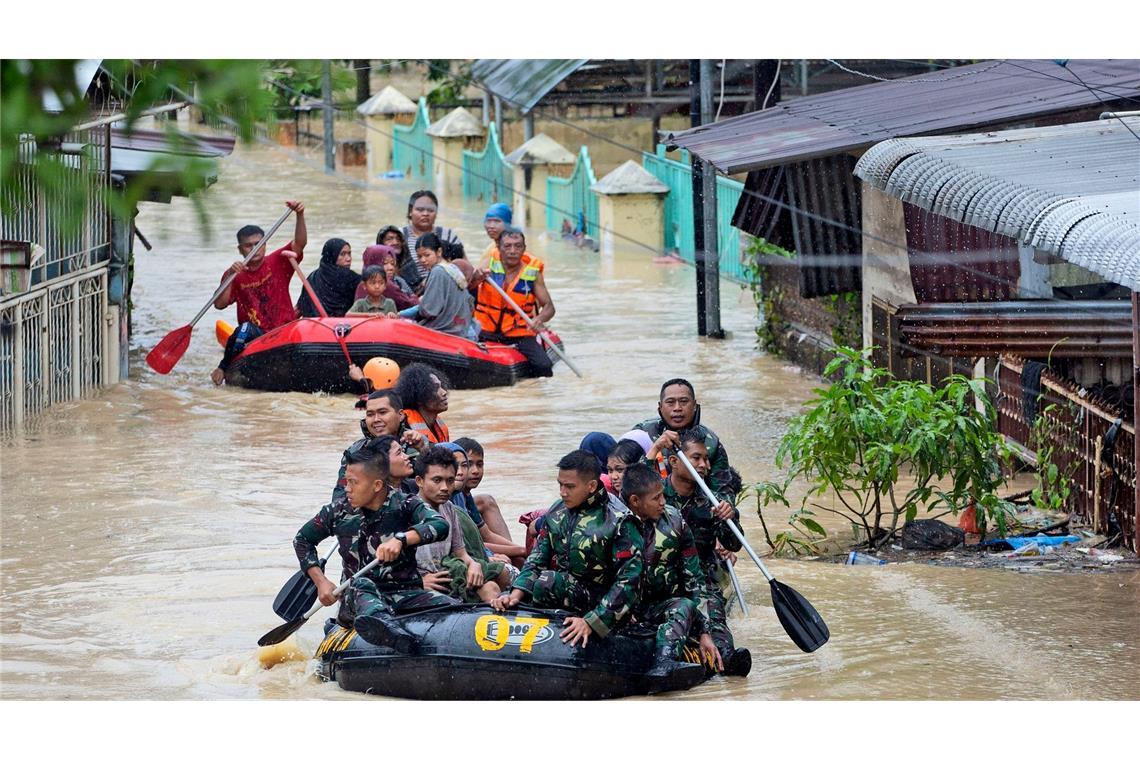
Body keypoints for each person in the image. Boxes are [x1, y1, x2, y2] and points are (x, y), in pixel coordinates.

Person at [491, 449, 643, 648]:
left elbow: (629, 580)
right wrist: (514, 595)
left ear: (591, 486)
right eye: (560, 485)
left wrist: (592, 622)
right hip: (565, 592)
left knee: (548, 581)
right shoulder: (557, 511)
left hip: (603, 601)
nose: (563, 492)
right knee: (540, 582)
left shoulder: (619, 520)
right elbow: (537, 559)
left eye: (569, 486)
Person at [346, 442, 458, 651]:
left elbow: (440, 525)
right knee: (362, 585)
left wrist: (401, 539)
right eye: (399, 453)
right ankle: (386, 630)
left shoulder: (407, 503)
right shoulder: (342, 511)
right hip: (362, 593)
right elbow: (303, 540)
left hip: (402, 590)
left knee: (456, 608)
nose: (407, 457)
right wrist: (321, 581)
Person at [620, 462, 726, 676]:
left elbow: (694, 578)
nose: (663, 502)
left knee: (685, 606)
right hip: (619, 607)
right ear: (635, 501)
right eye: (656, 498)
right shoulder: (612, 523)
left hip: (659, 605)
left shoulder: (676, 521)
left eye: (663, 495)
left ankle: (664, 664)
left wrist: (704, 631)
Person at [661, 429, 745, 666]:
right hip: (660, 576)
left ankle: (725, 659)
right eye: (696, 458)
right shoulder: (654, 494)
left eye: (706, 459)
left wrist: (730, 518)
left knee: (715, 620)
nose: (704, 464)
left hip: (702, 579)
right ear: (675, 462)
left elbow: (733, 545)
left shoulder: (714, 501)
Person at [210, 200, 307, 385]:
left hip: (284, 330)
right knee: (245, 328)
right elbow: (219, 304)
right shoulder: (234, 274)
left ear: (265, 245)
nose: (254, 249)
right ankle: (223, 366)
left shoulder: (279, 260)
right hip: (256, 335)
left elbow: (300, 243)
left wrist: (299, 215)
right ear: (240, 249)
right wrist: (230, 275)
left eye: (258, 243)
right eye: (248, 246)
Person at [412, 446, 508, 603]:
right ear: (419, 481)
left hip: (447, 573)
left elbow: (461, 553)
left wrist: (473, 565)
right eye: (437, 480)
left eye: (450, 481)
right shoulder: (406, 511)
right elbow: (392, 566)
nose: (444, 488)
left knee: (493, 585)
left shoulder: (449, 508)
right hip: (423, 580)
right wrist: (419, 581)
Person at [634, 378, 738, 503]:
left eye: (684, 401)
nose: (677, 408)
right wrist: (655, 448)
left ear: (694, 405)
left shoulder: (711, 443)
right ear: (660, 407)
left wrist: (724, 506)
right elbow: (625, 480)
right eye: (670, 402)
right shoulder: (641, 435)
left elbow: (725, 492)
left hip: (696, 509)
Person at [469, 227, 556, 377]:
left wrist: (539, 319)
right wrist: (477, 278)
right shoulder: (489, 263)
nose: (513, 250)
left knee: (544, 365)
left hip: (519, 334)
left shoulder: (532, 273)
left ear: (524, 249)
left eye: (518, 246)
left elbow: (549, 307)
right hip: (485, 330)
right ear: (499, 247)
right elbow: (469, 286)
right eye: (507, 246)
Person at [331, 389, 428, 503]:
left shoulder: (418, 443)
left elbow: (438, 482)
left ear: (400, 415)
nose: (376, 420)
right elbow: (340, 498)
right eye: (370, 414)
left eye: (382, 412)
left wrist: (423, 450)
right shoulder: (356, 451)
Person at [449, 439, 528, 567]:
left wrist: (523, 550)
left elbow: (486, 534)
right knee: (515, 559)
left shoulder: (466, 496)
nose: (475, 471)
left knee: (519, 558)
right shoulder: (449, 498)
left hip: (474, 550)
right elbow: (469, 544)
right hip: (463, 556)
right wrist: (521, 550)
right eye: (468, 464)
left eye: (480, 465)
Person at [396, 233, 475, 339]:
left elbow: (429, 310)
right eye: (419, 256)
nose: (423, 260)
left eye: (427, 255)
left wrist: (403, 314)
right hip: (460, 327)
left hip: (446, 329)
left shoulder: (437, 271)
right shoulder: (452, 268)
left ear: (439, 252)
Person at [400, 190, 465, 292]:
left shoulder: (447, 235)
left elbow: (463, 266)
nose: (425, 214)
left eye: (430, 210)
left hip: (446, 290)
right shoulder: (399, 237)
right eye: (420, 210)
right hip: (410, 293)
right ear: (410, 211)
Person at [294, 237, 360, 319]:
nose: (348, 259)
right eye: (342, 254)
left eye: (349, 254)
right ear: (332, 255)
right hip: (343, 328)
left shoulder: (312, 277)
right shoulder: (351, 278)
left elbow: (299, 309)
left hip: (313, 325)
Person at [393, 362, 451, 444]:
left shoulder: (438, 424)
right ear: (420, 397)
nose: (444, 392)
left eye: (441, 386)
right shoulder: (403, 428)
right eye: (436, 388)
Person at [358, 244, 418, 310]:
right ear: (373, 263)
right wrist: (416, 298)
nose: (391, 268)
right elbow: (409, 304)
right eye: (385, 263)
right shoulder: (386, 284)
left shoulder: (361, 284)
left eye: (392, 263)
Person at [480, 202, 512, 267]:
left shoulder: (513, 250)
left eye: (497, 221)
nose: (491, 226)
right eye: (488, 221)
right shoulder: (490, 249)